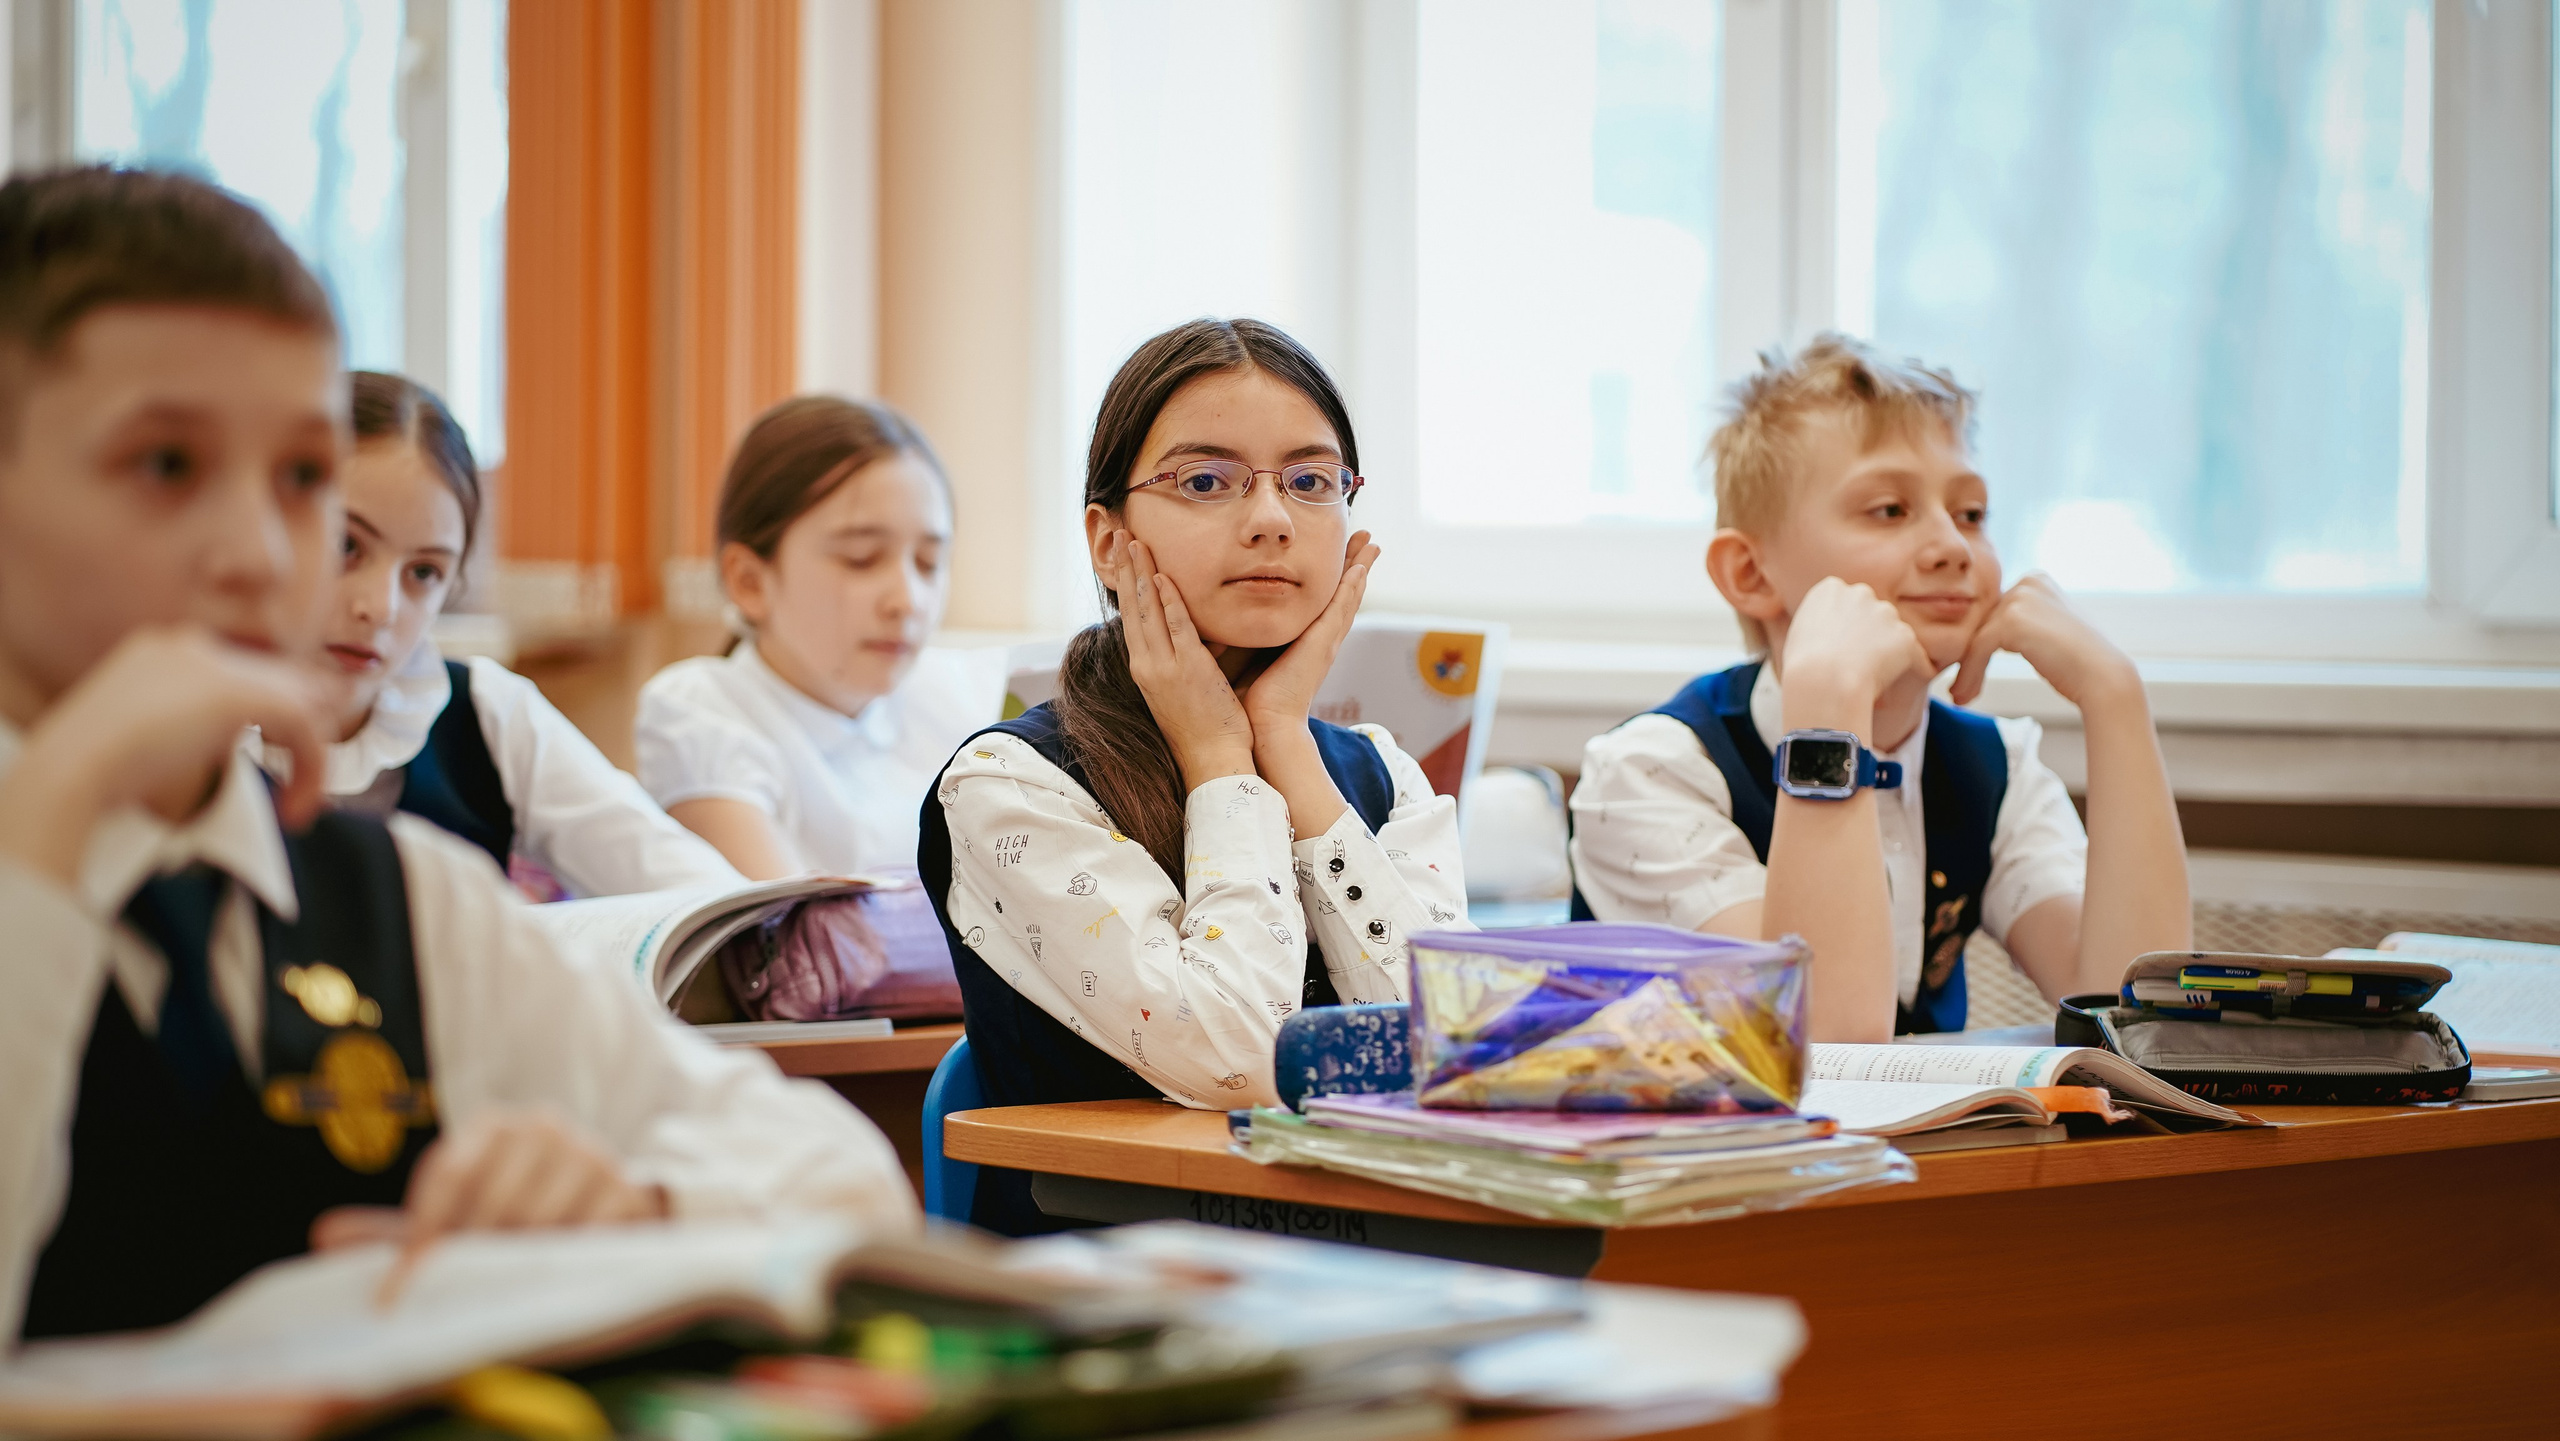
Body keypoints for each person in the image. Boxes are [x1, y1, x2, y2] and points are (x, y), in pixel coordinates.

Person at [0, 166, 914, 1345]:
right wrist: (52, 819)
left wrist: (640, 1204)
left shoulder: (399, 897)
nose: (259, 552)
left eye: (300, 479)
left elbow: (852, 1184)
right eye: (167, 465)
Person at [918, 318, 1468, 1234]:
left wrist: (1281, 740)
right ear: (1108, 540)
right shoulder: (1010, 784)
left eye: (1310, 481)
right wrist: (1219, 759)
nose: (1271, 518)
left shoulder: (1382, 774)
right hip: (1116, 1288)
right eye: (1206, 481)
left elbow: (1458, 1053)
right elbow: (1241, 1058)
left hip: (1375, 1265)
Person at [1570, 334, 2189, 1043]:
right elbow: (1821, 1044)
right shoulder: (1649, 773)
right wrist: (1829, 709)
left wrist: (2115, 696)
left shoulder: (1996, 766)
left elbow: (2136, 1018)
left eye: (1971, 514)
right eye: (1890, 509)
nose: (1952, 546)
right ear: (1750, 573)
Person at [317, 370, 743, 897]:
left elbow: (686, 883)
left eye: (424, 572)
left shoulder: (484, 714)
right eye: (345, 546)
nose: (380, 608)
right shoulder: (216, 733)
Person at [635, 396, 998, 883]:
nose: (908, 600)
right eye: (861, 558)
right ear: (749, 582)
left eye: (928, 563)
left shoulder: (961, 693)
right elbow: (794, 923)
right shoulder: (701, 712)